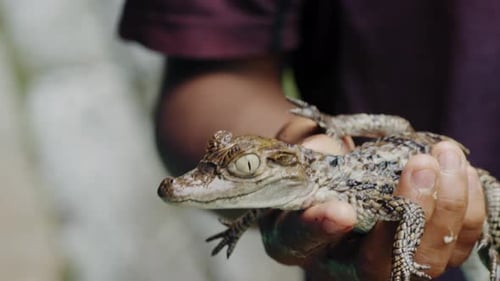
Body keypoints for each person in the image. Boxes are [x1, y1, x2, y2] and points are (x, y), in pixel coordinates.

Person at [119, 1, 500, 280]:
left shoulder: (351, 192)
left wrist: (402, 263)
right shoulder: (318, 192)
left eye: (247, 168)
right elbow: (412, 210)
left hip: (457, 180)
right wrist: (311, 134)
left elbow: (410, 209)